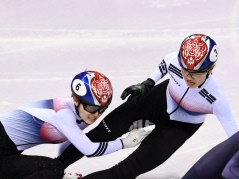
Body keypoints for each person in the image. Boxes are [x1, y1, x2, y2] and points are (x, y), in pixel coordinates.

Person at [57, 34, 239, 179]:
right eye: (184, 70)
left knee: (128, 170)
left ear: (210, 69)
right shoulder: (174, 60)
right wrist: (148, 83)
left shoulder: (215, 96)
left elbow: (234, 138)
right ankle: (52, 170)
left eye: (195, 73)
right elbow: (163, 66)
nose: (188, 76)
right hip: (157, 101)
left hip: (179, 128)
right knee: (99, 135)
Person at [0, 70, 150, 179]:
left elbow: (69, 141)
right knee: (52, 168)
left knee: (53, 169)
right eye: (92, 107)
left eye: (102, 109)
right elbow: (89, 150)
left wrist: (60, 170)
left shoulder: (81, 112)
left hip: (7, 152)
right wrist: (125, 143)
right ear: (76, 99)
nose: (96, 114)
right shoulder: (64, 114)